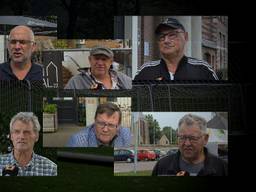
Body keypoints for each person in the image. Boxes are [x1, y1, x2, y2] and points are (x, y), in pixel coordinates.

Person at [134, 18, 218, 81]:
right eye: (162, 36)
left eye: (172, 35)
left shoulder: (202, 69)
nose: (166, 40)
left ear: (185, 37)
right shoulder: (146, 71)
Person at [152, 114, 227, 176]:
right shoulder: (162, 166)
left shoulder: (222, 168)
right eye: (182, 137)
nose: (187, 143)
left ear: (205, 139)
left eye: (193, 138)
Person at [65, 46, 132, 89]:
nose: (100, 63)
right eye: (96, 59)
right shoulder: (75, 82)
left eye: (104, 59)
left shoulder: (123, 79)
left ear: (111, 62)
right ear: (90, 60)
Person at [67, 102, 131, 147]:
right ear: (94, 122)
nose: (105, 130)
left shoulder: (126, 135)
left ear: (118, 126)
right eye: (101, 123)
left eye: (111, 125)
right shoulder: (78, 142)